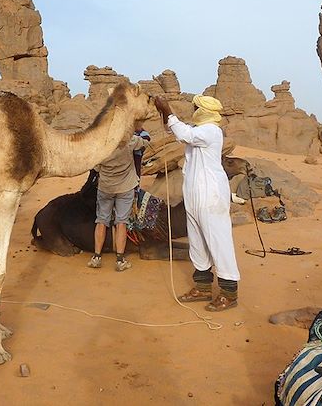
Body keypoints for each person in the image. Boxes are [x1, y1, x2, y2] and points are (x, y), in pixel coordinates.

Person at [153, 94, 240, 311]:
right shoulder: (199, 130)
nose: (192, 108)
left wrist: (168, 108)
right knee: (197, 240)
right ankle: (202, 287)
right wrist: (165, 113)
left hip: (210, 194)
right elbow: (181, 134)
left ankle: (229, 293)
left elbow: (185, 134)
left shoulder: (210, 130)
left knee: (218, 240)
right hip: (194, 193)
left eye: (195, 106)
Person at [87, 131, 150, 271]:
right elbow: (144, 143)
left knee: (101, 220)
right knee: (122, 222)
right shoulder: (129, 139)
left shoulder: (101, 144)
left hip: (105, 188)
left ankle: (96, 257)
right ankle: (120, 260)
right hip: (125, 187)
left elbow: (96, 167)